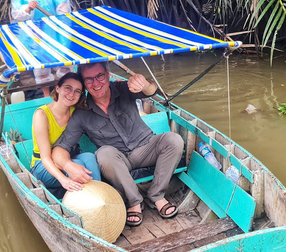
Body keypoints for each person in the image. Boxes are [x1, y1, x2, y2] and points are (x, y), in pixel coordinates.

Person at [52, 62, 184, 227]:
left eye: (100, 76)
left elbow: (151, 90)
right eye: (89, 79)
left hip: (147, 147)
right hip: (118, 160)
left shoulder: (123, 89)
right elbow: (60, 149)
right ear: (84, 84)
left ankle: (156, 195)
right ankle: (134, 202)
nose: (96, 83)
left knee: (174, 140)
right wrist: (68, 165)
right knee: (103, 153)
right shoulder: (82, 113)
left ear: (108, 75)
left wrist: (143, 82)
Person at [31, 73, 101, 192]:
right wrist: (63, 180)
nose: (71, 94)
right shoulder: (42, 115)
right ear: (57, 88)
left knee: (89, 157)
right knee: (78, 164)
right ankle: (86, 204)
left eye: (77, 91)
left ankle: (100, 194)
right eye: (68, 88)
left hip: (68, 156)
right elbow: (45, 158)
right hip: (43, 165)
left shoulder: (76, 111)